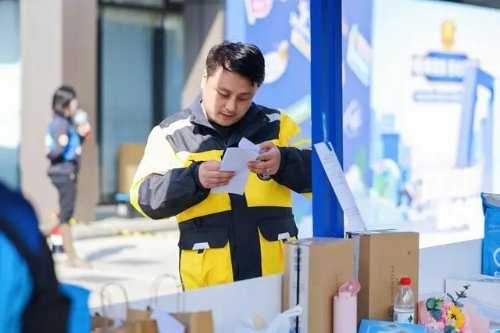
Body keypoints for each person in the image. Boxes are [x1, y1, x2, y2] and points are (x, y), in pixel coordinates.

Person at [130, 42, 311, 290]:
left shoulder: (278, 125)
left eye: (243, 98)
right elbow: (144, 197)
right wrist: (195, 179)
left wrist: (284, 161)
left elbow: (322, 179)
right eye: (223, 94)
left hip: (276, 284)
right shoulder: (171, 134)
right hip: (208, 290)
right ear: (204, 79)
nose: (230, 106)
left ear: (256, 90)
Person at [45, 85, 91, 267]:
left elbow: (70, 146)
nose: (76, 104)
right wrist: (61, 145)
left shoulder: (65, 122)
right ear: (65, 103)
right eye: (73, 101)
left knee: (65, 212)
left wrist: (79, 136)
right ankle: (71, 256)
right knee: (65, 214)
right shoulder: (60, 124)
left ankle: (69, 255)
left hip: (66, 172)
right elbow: (55, 151)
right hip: (63, 173)